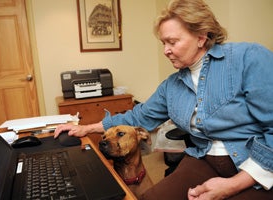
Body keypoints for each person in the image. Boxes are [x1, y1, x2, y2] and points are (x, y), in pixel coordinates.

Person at [54, 0, 273, 199]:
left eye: (172, 42)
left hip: (257, 165)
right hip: (204, 158)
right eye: (163, 43)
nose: (166, 51)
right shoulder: (172, 85)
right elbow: (139, 116)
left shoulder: (248, 58)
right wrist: (86, 128)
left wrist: (232, 185)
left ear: (201, 36)